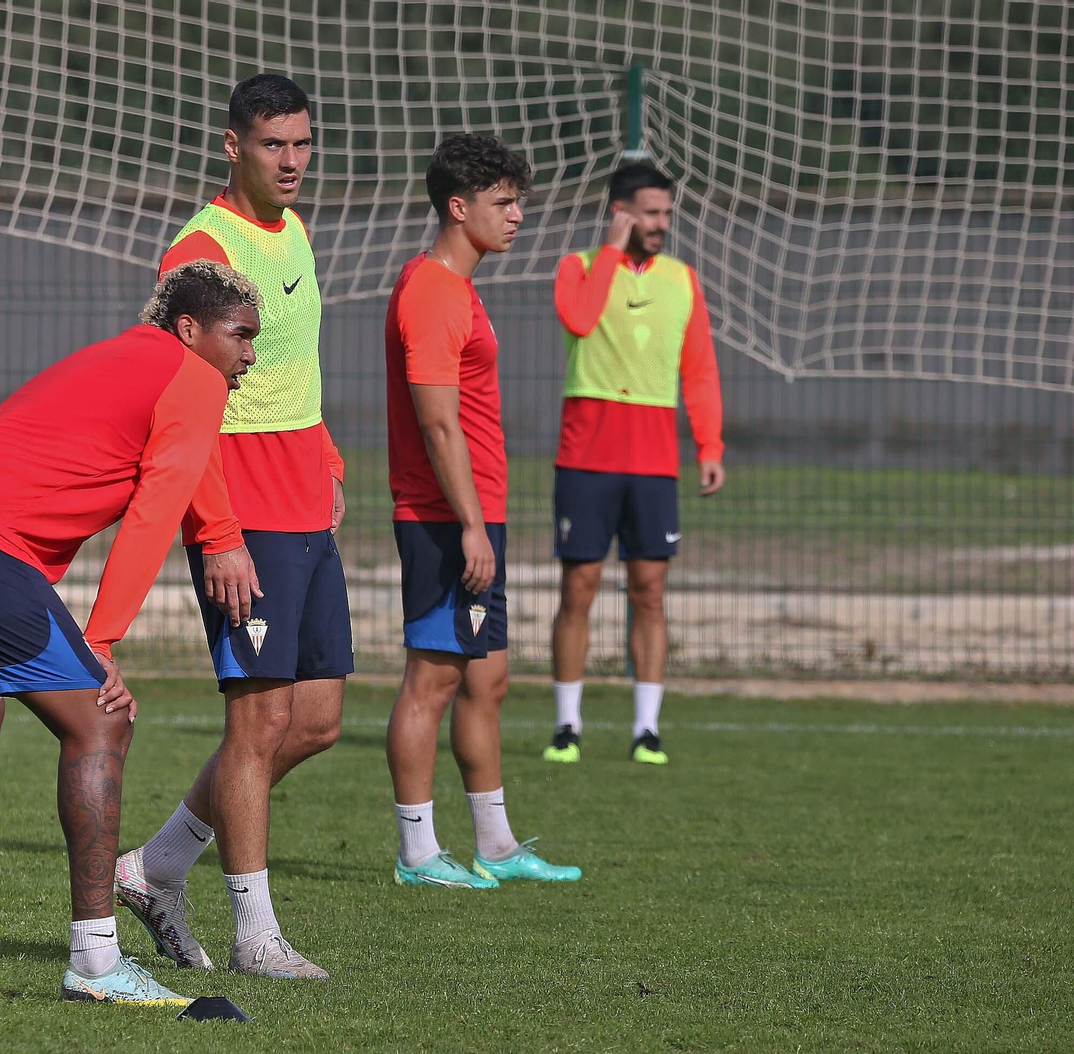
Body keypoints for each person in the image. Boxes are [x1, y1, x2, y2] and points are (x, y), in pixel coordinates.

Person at [0, 261, 259, 1005]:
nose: (250, 355)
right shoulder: (195, 380)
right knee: (102, 725)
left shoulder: (122, 358)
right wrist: (102, 643)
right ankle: (97, 964)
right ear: (190, 330)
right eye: (240, 335)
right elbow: (155, 514)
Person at [114, 73, 348, 981]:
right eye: (272, 145)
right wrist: (217, 531)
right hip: (241, 498)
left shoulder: (294, 231)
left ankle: (158, 864)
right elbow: (186, 399)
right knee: (257, 723)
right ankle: (257, 937)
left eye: (301, 143)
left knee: (317, 721)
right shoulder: (200, 252)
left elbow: (295, 359)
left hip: (303, 489)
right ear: (232, 146)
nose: (291, 162)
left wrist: (325, 450)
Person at [381, 134, 583, 889]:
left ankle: (495, 844)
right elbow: (437, 423)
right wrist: (468, 523)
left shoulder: (459, 287)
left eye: (518, 201)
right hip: (442, 517)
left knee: (487, 677)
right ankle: (418, 853)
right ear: (458, 207)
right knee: (430, 681)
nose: (519, 215)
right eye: (504, 202)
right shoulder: (432, 292)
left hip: (474, 512)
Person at [543, 161, 725, 767]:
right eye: (649, 212)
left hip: (653, 463)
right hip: (587, 458)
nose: (660, 223)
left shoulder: (683, 280)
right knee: (580, 588)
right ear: (619, 211)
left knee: (650, 592)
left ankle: (647, 729)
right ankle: (567, 726)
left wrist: (710, 446)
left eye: (666, 213)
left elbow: (698, 369)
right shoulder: (580, 268)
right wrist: (614, 251)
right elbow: (580, 319)